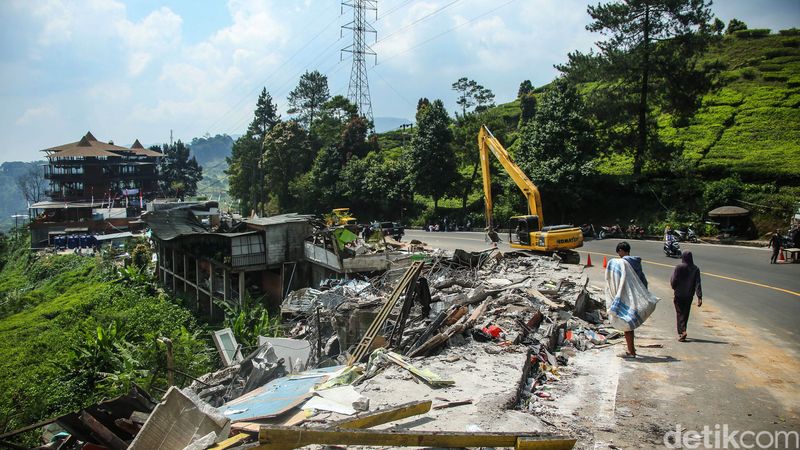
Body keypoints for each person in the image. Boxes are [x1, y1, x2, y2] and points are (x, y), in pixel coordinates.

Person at [615, 241, 647, 358]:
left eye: (619, 253)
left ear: (621, 251)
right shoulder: (636, 262)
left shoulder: (624, 263)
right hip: (637, 296)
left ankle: (631, 351)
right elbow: (643, 279)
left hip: (628, 297)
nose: (619, 255)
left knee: (627, 323)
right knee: (630, 324)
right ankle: (631, 348)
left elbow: (620, 280)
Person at [670, 251, 703, 342]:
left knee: (679, 312)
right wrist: (699, 297)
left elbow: (674, 280)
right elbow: (697, 283)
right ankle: (683, 330)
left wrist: (674, 287)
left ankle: (682, 331)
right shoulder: (695, 268)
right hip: (689, 295)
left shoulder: (679, 267)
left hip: (679, 294)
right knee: (685, 313)